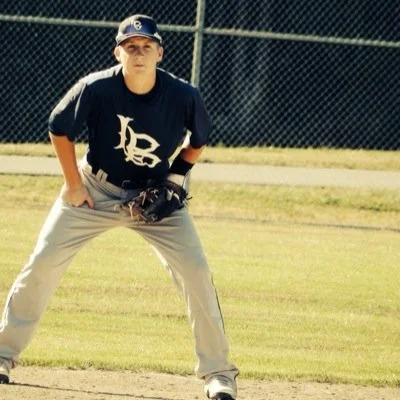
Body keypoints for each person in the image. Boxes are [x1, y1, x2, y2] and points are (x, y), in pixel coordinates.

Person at [0, 14, 238, 400]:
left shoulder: (183, 95)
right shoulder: (96, 88)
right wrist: (73, 184)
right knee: (43, 261)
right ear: (118, 53)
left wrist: (175, 178)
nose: (138, 53)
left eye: (146, 46)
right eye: (130, 47)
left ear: (160, 53)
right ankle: (2, 354)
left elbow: (198, 141)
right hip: (95, 189)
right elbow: (59, 127)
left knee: (196, 271)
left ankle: (219, 374)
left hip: (154, 196)